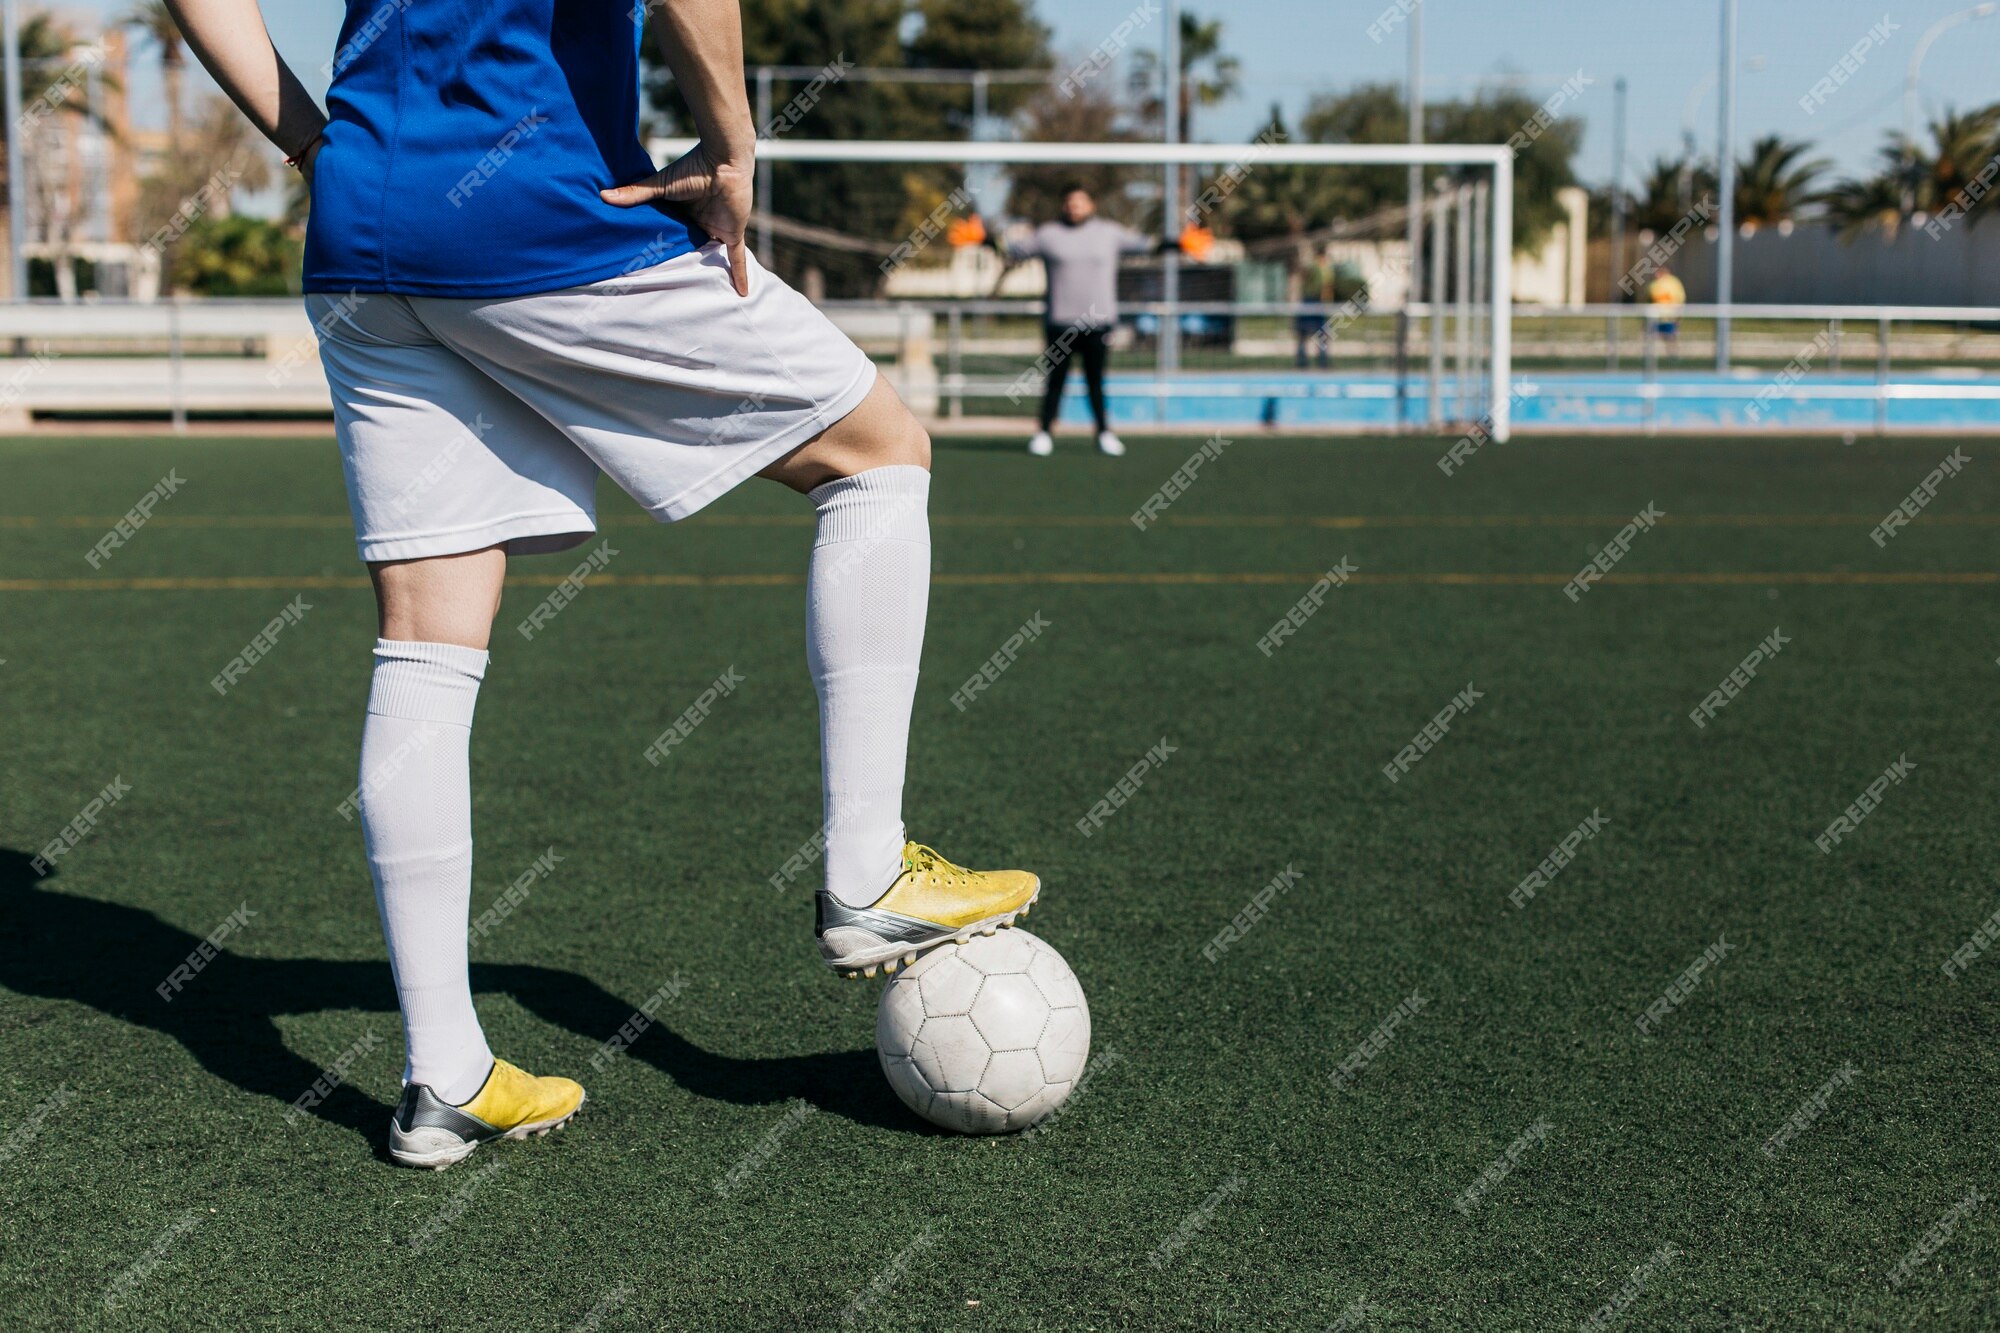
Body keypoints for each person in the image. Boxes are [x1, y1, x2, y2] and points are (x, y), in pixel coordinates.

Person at [164, 0, 1041, 1169]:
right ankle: (866, 867)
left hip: (365, 228)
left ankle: (445, 1077)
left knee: (428, 630)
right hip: (539, 207)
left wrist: (314, 143)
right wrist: (731, 142)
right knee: (876, 455)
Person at [985, 186, 1163, 457]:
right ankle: (1044, 433)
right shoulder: (1048, 235)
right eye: (1070, 202)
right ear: (1064, 205)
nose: (1075, 207)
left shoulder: (1109, 232)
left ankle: (1104, 433)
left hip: (1098, 323)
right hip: (1060, 323)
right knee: (1055, 381)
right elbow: (1011, 250)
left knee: (1096, 381)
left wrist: (1181, 242)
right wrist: (983, 237)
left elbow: (1149, 246)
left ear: (1091, 205)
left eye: (1081, 202)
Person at [1294, 253, 1337, 370]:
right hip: (1312, 301)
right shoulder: (1318, 268)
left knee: (1317, 334)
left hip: (1315, 302)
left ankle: (1317, 361)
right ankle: (1306, 361)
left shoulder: (1322, 269)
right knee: (1305, 333)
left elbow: (1326, 287)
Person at [1645, 264, 1687, 361]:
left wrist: (1679, 316)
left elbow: (1680, 299)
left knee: (1670, 338)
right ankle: (1650, 361)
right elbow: (1648, 301)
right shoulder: (1653, 285)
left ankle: (1674, 358)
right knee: (1650, 337)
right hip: (1656, 318)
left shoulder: (1673, 283)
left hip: (1669, 318)